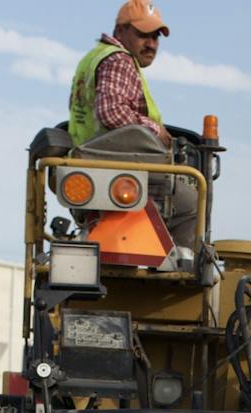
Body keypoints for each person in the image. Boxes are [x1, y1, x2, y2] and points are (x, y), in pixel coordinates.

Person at [67, 1, 200, 251]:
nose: (151, 44)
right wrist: (157, 131)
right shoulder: (119, 60)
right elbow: (111, 112)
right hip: (120, 172)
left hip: (90, 168)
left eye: (155, 37)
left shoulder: (93, 58)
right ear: (121, 30)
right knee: (193, 202)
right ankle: (180, 264)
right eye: (143, 35)